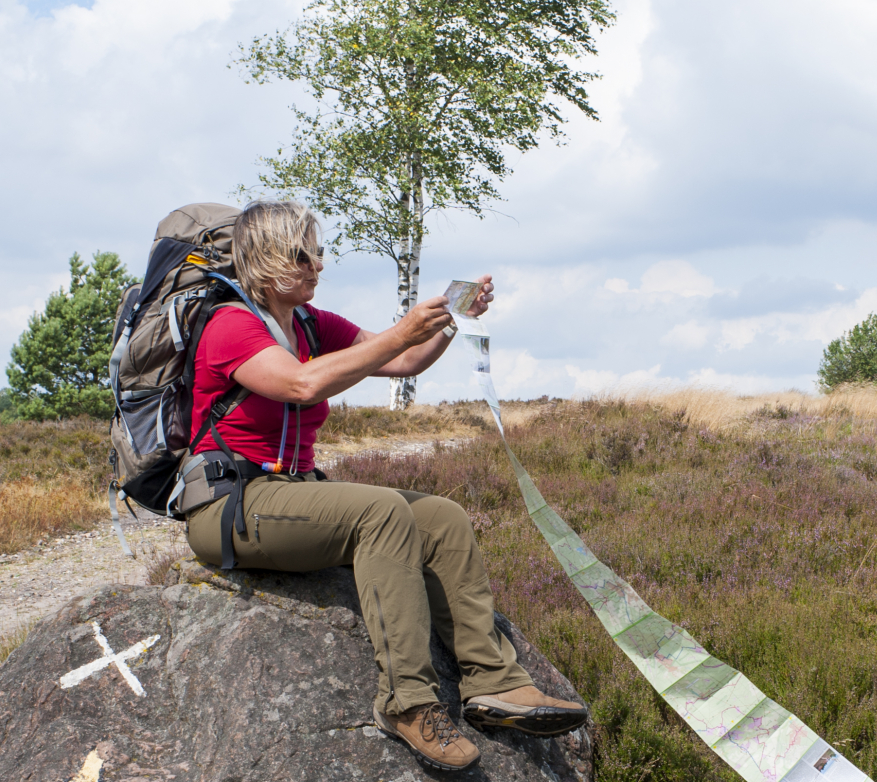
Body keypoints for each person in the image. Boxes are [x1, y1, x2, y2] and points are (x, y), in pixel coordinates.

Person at [180, 200, 584, 772]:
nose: (317, 265)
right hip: (230, 505)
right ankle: (407, 703)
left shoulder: (313, 326)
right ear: (266, 261)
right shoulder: (231, 326)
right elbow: (300, 384)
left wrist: (448, 318)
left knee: (441, 517)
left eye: (318, 252)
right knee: (382, 512)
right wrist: (400, 330)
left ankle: (494, 683)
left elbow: (407, 361)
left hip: (292, 493)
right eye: (302, 254)